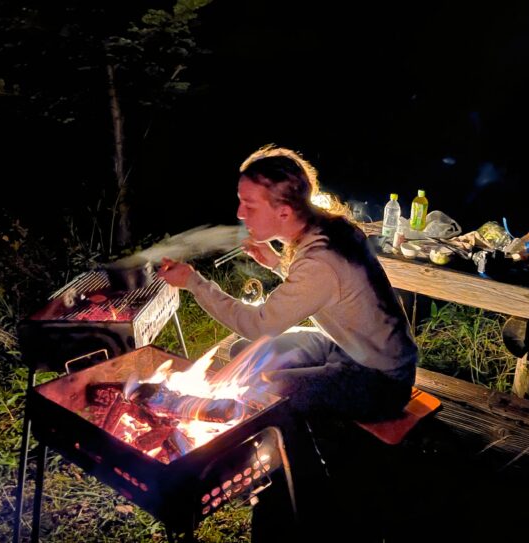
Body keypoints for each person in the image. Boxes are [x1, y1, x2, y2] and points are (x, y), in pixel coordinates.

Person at [158, 145, 418, 540]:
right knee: (244, 358)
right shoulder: (325, 230)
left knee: (267, 389)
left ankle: (299, 494)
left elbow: (258, 323)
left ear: (283, 212)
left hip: (380, 378)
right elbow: (328, 289)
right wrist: (276, 262)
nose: (240, 214)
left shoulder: (319, 260)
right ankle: (299, 436)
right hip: (349, 346)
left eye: (249, 204)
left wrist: (194, 282)